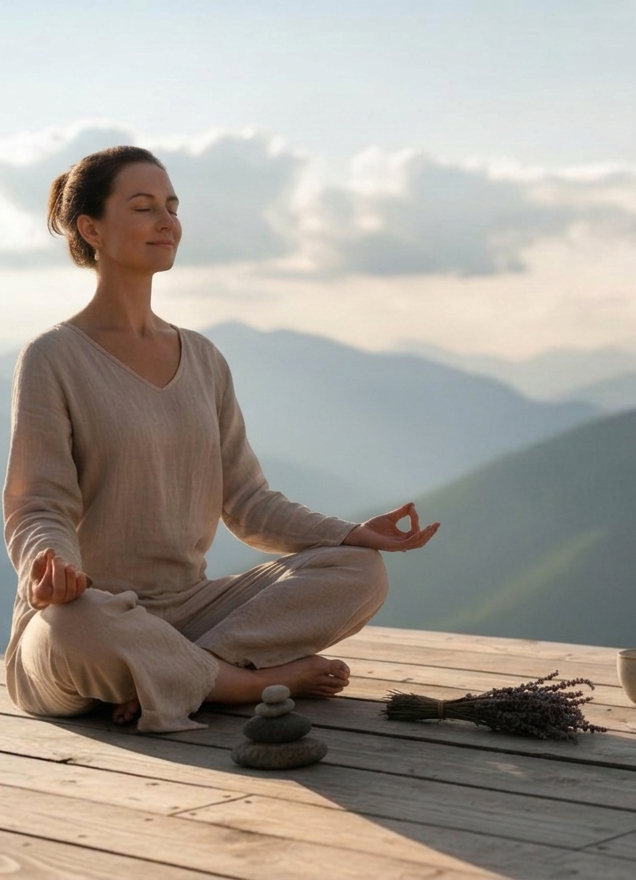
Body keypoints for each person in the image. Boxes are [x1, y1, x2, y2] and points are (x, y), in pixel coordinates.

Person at [3, 145, 439, 733]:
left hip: (192, 613)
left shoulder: (203, 358)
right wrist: (50, 564)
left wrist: (350, 533)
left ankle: (178, 673)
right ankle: (242, 682)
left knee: (358, 571)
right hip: (92, 616)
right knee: (70, 627)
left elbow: (247, 502)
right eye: (143, 207)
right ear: (91, 229)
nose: (167, 222)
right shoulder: (53, 357)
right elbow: (37, 502)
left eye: (172, 206)